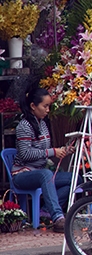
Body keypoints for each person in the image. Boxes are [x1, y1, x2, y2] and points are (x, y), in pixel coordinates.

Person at [12, 85, 74, 232]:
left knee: (75, 178)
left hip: (40, 172)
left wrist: (64, 150)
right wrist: (52, 152)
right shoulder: (24, 126)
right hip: (23, 175)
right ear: (33, 106)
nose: (48, 110)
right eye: (45, 106)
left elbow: (45, 151)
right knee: (46, 174)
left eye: (49, 106)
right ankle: (58, 217)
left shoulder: (43, 125)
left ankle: (45, 210)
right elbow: (26, 153)